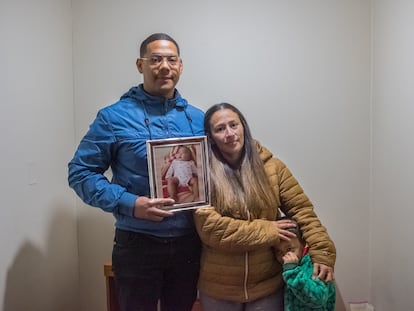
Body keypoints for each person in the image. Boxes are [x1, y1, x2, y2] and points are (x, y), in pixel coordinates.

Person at [68, 33, 204, 311]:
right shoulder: (113, 117)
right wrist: (130, 204)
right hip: (137, 243)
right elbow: (80, 173)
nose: (164, 66)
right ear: (140, 65)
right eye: (155, 60)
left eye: (171, 59)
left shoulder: (199, 118)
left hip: (190, 243)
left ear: (180, 66)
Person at [193, 103, 336, 311]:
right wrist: (268, 229)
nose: (229, 134)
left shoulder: (273, 167)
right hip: (219, 290)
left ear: (244, 126)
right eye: (220, 129)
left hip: (267, 286)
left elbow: (303, 212)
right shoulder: (201, 174)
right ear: (211, 137)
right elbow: (211, 229)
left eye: (234, 125)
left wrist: (323, 252)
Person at [275, 217, 336, 311]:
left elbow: (318, 299)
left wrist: (293, 272)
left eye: (289, 249)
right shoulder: (288, 265)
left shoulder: (315, 264)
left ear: (303, 244)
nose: (284, 257)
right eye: (278, 251)